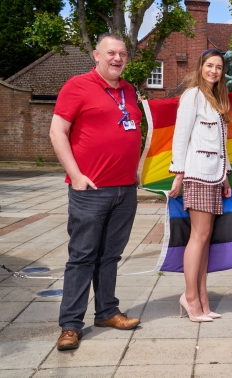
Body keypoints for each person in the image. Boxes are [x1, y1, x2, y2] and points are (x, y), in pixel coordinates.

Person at [49, 33, 142, 351]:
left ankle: (106, 312)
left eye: (123, 54)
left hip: (125, 190)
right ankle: (71, 326)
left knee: (110, 256)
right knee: (82, 257)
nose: (118, 58)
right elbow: (57, 131)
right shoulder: (77, 86)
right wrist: (75, 175)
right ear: (96, 55)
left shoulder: (129, 90)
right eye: (111, 53)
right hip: (90, 189)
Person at [168, 49, 232, 322]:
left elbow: (219, 144)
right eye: (209, 65)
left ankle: (203, 298)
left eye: (218, 67)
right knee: (198, 236)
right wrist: (178, 173)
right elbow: (180, 136)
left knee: (205, 239)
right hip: (196, 175)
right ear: (200, 66)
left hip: (214, 176)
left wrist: (225, 174)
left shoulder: (217, 102)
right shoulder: (192, 95)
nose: (214, 71)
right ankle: (190, 297)